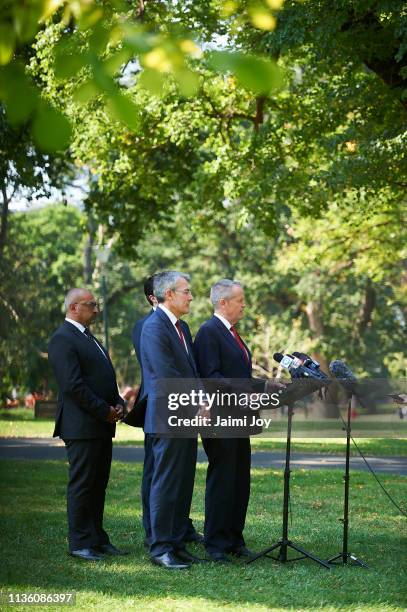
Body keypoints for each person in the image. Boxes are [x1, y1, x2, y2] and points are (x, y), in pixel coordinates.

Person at [48, 288, 126, 561]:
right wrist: (103, 410)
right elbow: (72, 386)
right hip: (81, 425)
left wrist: (117, 402)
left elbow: (102, 377)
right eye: (91, 305)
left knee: (98, 484)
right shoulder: (62, 339)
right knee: (82, 484)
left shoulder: (88, 337)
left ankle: (97, 538)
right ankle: (80, 543)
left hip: (101, 424)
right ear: (73, 308)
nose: (96, 309)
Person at [129, 274, 203, 548]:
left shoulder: (178, 327)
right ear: (169, 294)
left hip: (184, 417)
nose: (191, 296)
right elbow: (166, 376)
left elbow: (191, 371)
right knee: (165, 482)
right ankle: (161, 547)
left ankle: (176, 543)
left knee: (181, 483)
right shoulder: (154, 327)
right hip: (167, 417)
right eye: (186, 291)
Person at [194, 279, 257, 563]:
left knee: (240, 479)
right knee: (222, 479)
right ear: (223, 302)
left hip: (240, 419)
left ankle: (234, 538)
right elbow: (211, 377)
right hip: (220, 419)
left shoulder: (232, 333)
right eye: (239, 299)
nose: (244, 304)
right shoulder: (209, 332)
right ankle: (216, 542)